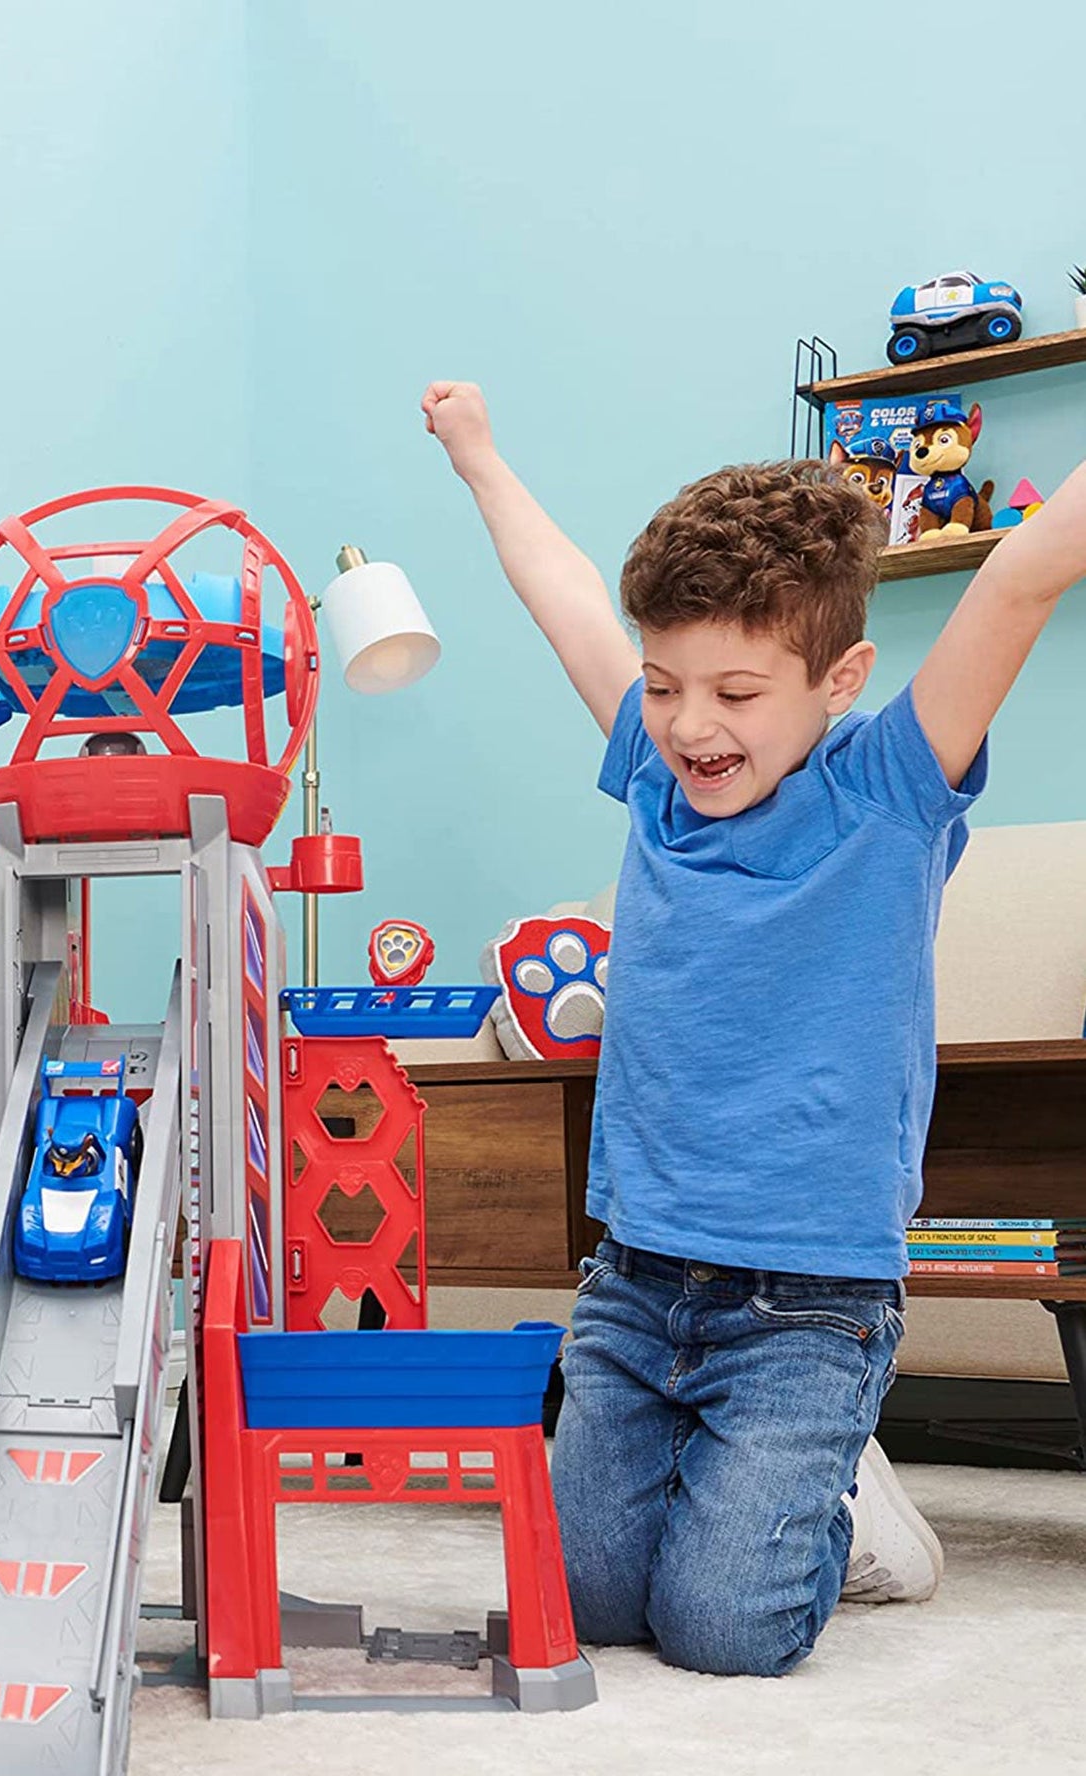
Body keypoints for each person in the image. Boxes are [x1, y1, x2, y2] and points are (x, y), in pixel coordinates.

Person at [421, 381, 1086, 1675]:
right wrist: (476, 454)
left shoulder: (888, 788)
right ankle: (748, 1482)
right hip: (635, 1279)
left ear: (839, 679)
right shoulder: (655, 781)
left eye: (733, 690)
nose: (689, 724)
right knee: (580, 1602)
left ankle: (847, 1507)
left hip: (807, 1304)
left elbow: (1018, 580)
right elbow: (564, 597)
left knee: (723, 1631)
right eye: (664, 685)